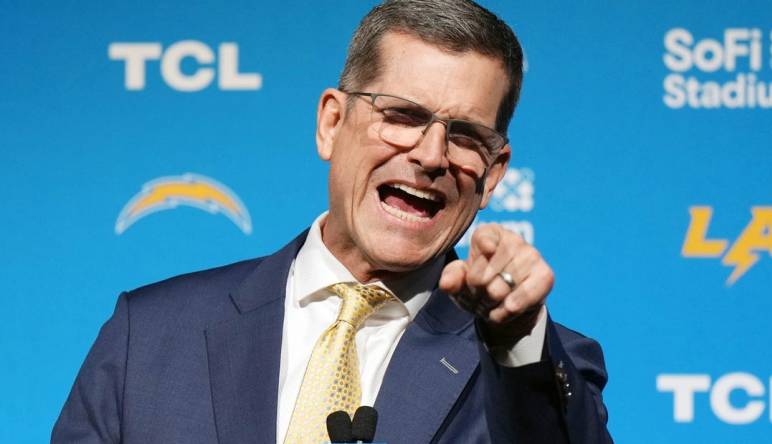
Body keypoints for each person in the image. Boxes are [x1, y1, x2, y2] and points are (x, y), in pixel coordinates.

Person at [53, 1, 612, 442]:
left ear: (493, 173)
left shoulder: (533, 367)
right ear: (331, 123)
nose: (432, 155)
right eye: (403, 115)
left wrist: (513, 345)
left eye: (466, 136)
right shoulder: (147, 336)